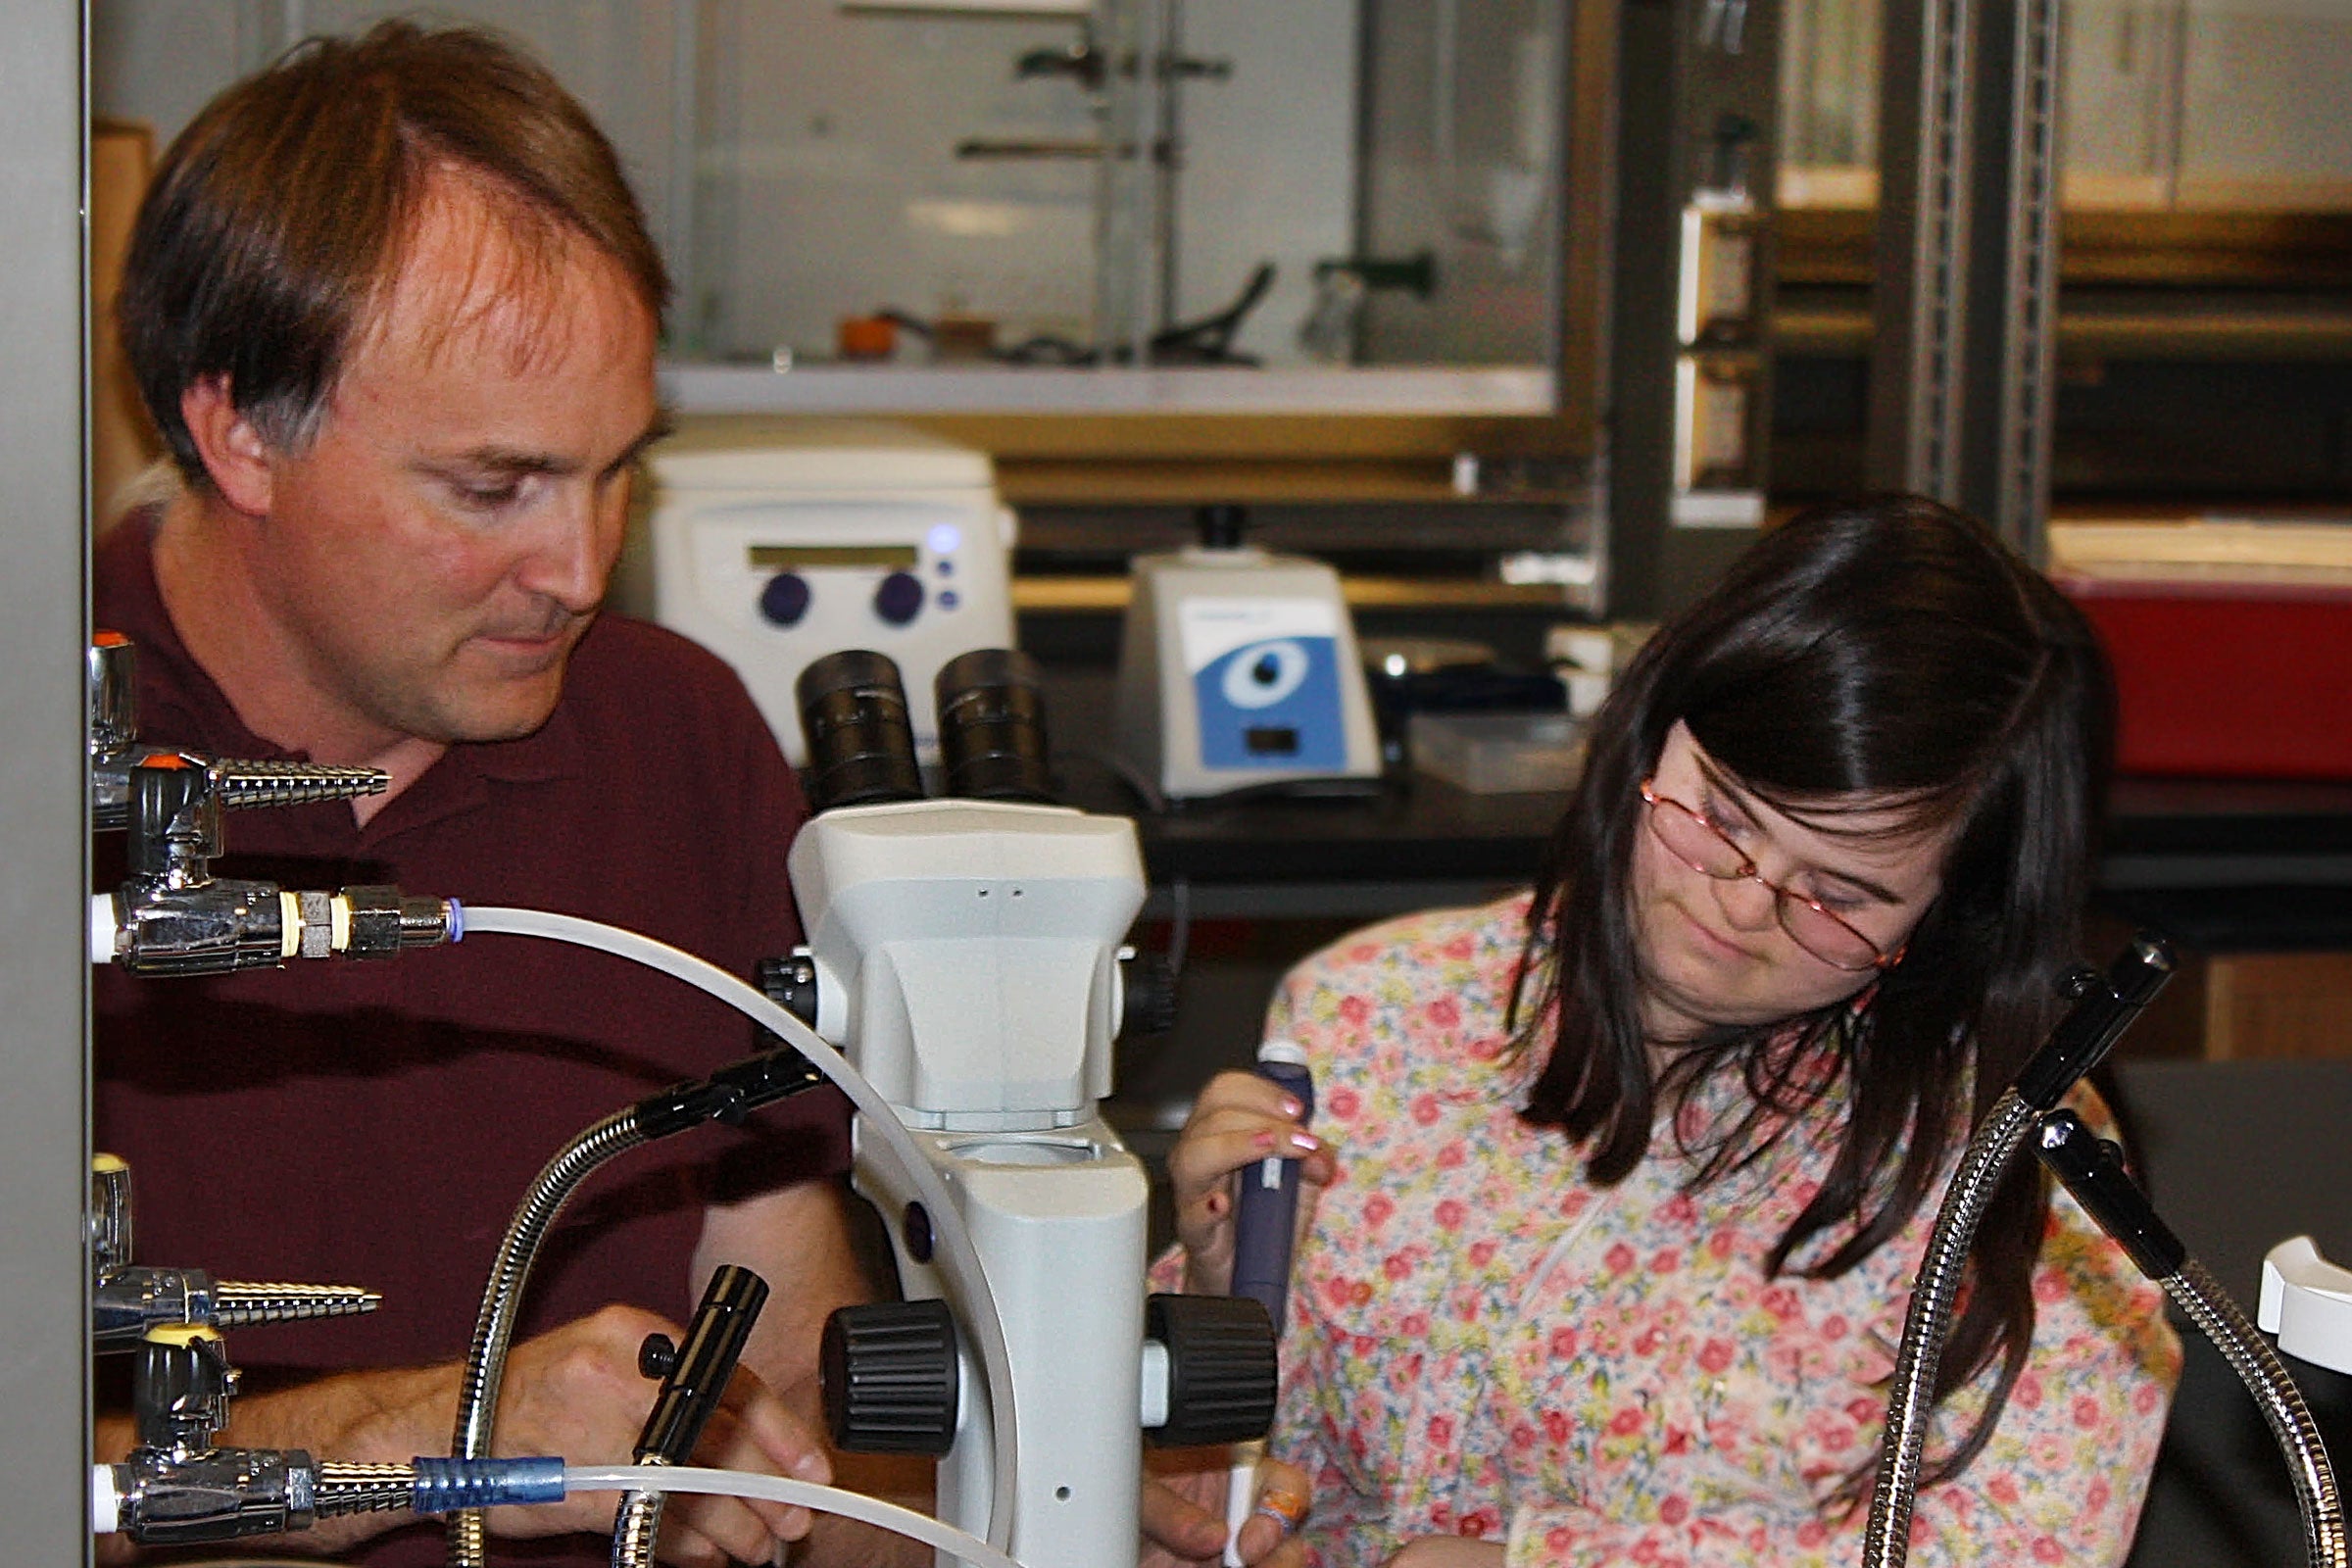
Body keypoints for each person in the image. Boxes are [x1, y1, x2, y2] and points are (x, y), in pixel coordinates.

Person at [94, 23, 876, 1567]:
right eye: (492, 488)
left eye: (614, 470)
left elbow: (797, 1360)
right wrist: (438, 1443)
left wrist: (1039, 1487)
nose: (579, 572)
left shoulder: (676, 740)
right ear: (238, 429)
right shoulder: (52, 765)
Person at [1158, 497, 2183, 1568]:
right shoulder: (1376, 1009)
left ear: (1953, 913)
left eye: (1839, 893)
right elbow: (1237, 1495)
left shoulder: (2023, 1168)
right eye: (1722, 819)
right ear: (1653, 728)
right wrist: (1220, 1326)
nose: (1743, 904)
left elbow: (2024, 1550)